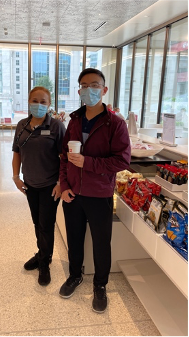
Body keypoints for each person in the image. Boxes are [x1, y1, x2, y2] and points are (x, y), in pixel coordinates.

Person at [59, 68, 131, 313]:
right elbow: (63, 157)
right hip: (73, 194)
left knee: (101, 243)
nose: (89, 90)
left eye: (95, 85)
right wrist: (65, 185)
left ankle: (100, 285)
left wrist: (87, 163)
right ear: (79, 90)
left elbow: (122, 160)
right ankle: (75, 275)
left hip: (99, 194)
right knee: (74, 239)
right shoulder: (74, 121)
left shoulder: (116, 124)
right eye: (84, 86)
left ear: (104, 89)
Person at [12, 86, 66, 286]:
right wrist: (16, 177)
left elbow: (65, 157)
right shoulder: (21, 125)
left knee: (46, 225)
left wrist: (61, 182)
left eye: (43, 102)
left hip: (50, 185)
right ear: (28, 102)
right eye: (35, 100)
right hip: (30, 184)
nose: (39, 105)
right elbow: (16, 152)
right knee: (37, 222)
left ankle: (44, 262)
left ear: (49, 104)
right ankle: (43, 253)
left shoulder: (56, 126)